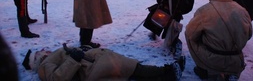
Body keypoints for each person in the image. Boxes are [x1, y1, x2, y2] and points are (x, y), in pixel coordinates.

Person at [185, 0, 253, 81]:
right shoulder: (242, 10)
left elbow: (190, 34)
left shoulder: (204, 11)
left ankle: (204, 68)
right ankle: (231, 72)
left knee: (190, 37)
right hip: (236, 59)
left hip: (213, 59)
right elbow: (249, 34)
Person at [22, 44, 185, 81]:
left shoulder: (51, 58)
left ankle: (168, 72)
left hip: (95, 62)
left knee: (132, 70)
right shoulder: (43, 66)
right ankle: (169, 72)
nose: (45, 50)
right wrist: (74, 58)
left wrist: (81, 50)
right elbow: (57, 78)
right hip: (92, 68)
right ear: (36, 59)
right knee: (133, 69)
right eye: (40, 52)